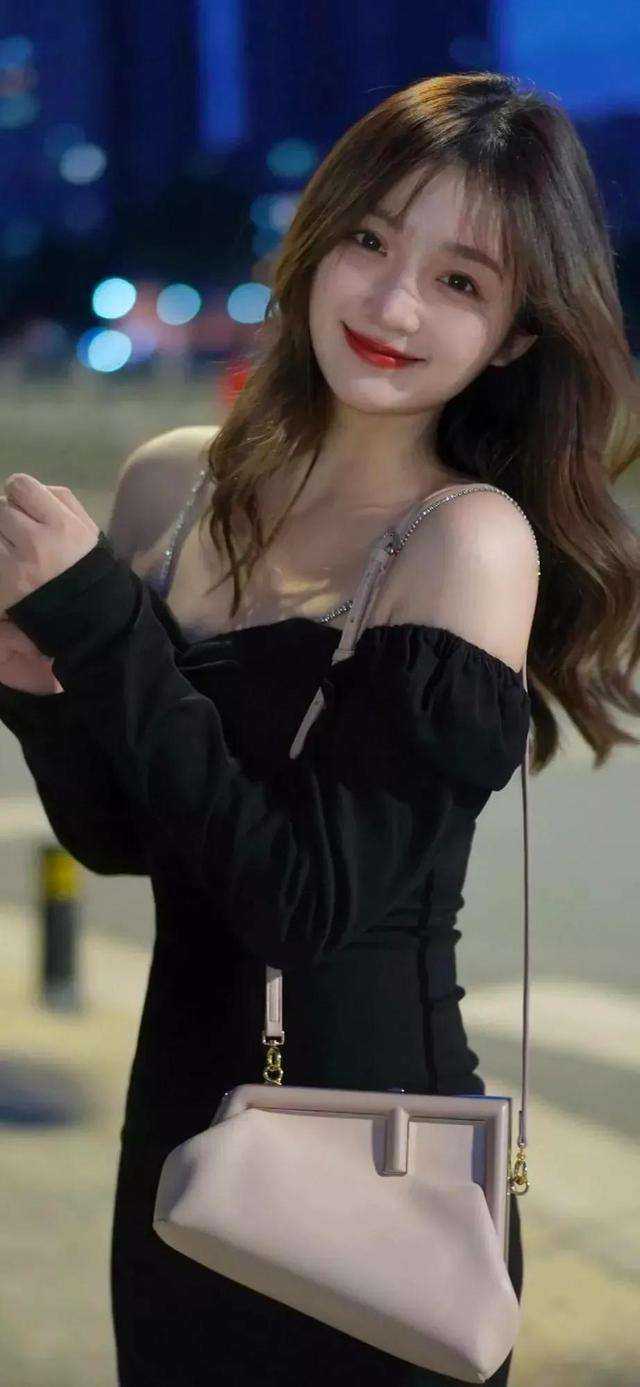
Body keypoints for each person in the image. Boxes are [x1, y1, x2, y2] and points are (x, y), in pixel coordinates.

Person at [1, 70, 639, 1387]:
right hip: (181, 1151)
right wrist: (38, 682)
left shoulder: (469, 542)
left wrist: (103, 629)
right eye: (370, 240)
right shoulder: (177, 485)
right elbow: (125, 839)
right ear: (316, 239)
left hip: (383, 1174)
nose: (393, 304)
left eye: (459, 281)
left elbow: (302, 905)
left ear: (517, 335)